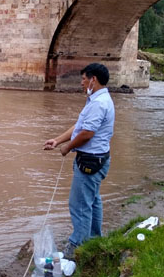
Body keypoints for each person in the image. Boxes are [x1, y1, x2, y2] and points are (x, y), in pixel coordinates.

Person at [43, 63, 115, 259]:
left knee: (79, 205)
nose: (81, 83)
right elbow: (79, 126)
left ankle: (77, 248)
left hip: (90, 162)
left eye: (83, 79)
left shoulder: (99, 103)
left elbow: (87, 133)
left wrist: (67, 148)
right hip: (96, 159)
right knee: (93, 201)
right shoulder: (96, 100)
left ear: (93, 80)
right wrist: (57, 140)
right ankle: (93, 240)